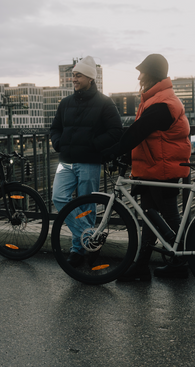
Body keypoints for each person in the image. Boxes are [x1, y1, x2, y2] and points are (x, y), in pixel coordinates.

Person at [102, 53, 191, 281]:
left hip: (161, 171)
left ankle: (181, 262)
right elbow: (145, 137)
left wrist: (111, 151)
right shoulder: (156, 99)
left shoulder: (162, 104)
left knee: (170, 219)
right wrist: (126, 156)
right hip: (153, 169)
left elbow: (136, 133)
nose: (139, 76)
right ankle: (142, 266)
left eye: (142, 71)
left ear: (151, 74)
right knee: (150, 219)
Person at [50, 56, 122, 267]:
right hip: (66, 161)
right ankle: (90, 238)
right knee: (58, 198)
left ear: (90, 78)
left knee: (87, 207)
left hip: (89, 162)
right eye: (72, 75)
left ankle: (78, 250)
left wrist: (93, 145)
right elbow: (55, 128)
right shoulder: (65, 103)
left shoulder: (104, 102)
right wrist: (58, 143)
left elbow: (115, 132)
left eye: (78, 75)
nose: (73, 78)